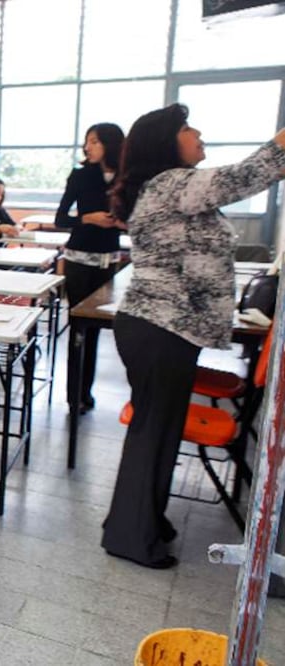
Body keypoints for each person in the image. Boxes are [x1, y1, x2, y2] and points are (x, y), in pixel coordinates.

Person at [102, 104, 285, 569]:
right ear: (165, 141)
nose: (198, 133)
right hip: (159, 326)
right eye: (186, 128)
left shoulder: (167, 187)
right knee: (154, 432)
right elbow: (243, 176)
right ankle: (131, 536)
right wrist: (280, 145)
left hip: (164, 328)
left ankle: (137, 521)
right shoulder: (171, 184)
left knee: (154, 431)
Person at [55, 123, 126, 415]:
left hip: (109, 260)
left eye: (94, 142)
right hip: (79, 259)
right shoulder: (81, 175)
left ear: (111, 144)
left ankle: (87, 391)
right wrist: (88, 219)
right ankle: (74, 396)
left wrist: (123, 223)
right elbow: (61, 218)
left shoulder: (128, 177)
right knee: (79, 329)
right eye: (87, 142)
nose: (88, 147)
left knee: (97, 328)